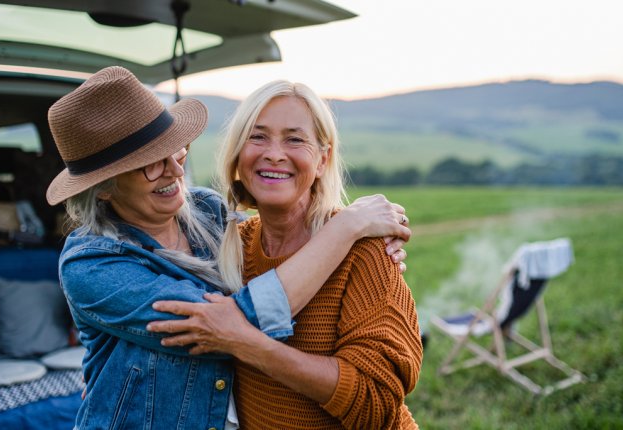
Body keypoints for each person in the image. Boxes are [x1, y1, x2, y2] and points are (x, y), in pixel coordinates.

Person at [45, 67, 411, 430]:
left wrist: (361, 235)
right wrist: (345, 229)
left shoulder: (210, 212)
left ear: (324, 157)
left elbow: (376, 401)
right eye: (149, 164)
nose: (174, 170)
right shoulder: (91, 265)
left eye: (176, 151)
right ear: (103, 187)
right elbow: (229, 326)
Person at [149, 80, 423, 429]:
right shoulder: (230, 246)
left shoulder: (363, 247)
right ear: (237, 155)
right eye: (258, 136)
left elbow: (376, 402)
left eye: (294, 139)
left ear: (323, 159)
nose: (274, 153)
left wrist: (249, 345)